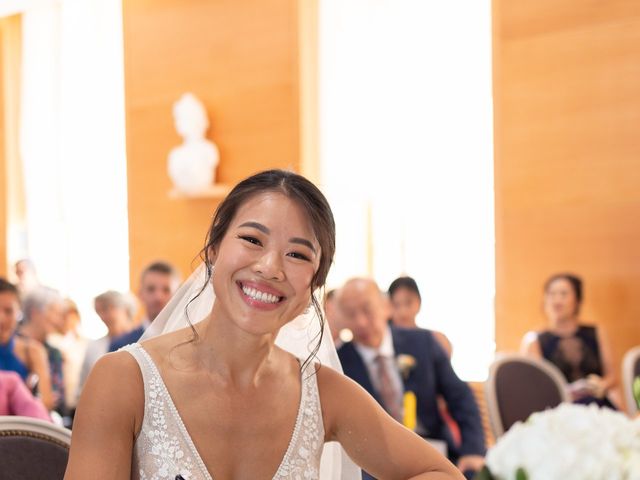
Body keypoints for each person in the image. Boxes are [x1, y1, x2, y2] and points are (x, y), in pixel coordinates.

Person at [65, 169, 463, 480]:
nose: (269, 267)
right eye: (253, 240)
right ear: (215, 249)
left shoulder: (324, 394)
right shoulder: (124, 380)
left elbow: (439, 473)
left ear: (313, 286)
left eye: (296, 254)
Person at [337, 278, 485, 479]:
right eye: (350, 314)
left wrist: (473, 450)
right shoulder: (339, 363)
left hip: (435, 453)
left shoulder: (422, 342)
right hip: (377, 467)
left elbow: (461, 397)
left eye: (367, 309)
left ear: (386, 307)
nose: (361, 321)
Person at [520, 273, 619, 408]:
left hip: (597, 405)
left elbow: (612, 376)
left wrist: (601, 385)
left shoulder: (596, 332)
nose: (557, 300)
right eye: (552, 294)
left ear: (577, 300)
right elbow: (535, 389)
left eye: (563, 294)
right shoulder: (534, 340)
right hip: (559, 409)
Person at [0, 278, 55, 411]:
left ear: (19, 312)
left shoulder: (32, 351)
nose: (1, 319)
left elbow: (46, 403)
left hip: (22, 428)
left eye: (8, 311)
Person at [108, 262, 180, 352]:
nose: (158, 297)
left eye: (166, 290)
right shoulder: (120, 345)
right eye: (151, 289)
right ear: (140, 294)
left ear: (178, 295)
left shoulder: (187, 341)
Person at [20, 286, 68, 417]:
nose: (58, 320)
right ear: (35, 312)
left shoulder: (54, 353)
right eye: (54, 313)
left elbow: (59, 402)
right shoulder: (10, 344)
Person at [78, 290, 136, 395]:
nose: (103, 317)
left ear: (125, 309)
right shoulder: (93, 347)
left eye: (107, 309)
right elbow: (83, 385)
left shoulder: (142, 339)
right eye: (99, 311)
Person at [388, 276, 452, 356]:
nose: (403, 312)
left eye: (408, 303)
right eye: (396, 305)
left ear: (419, 303)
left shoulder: (436, 341)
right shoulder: (382, 343)